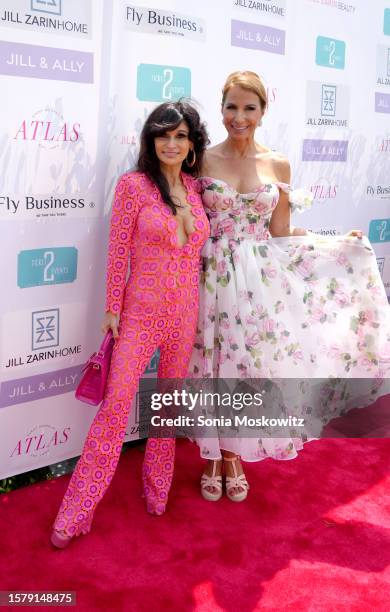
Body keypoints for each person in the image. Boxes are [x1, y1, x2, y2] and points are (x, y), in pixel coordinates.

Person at [188, 71, 390, 502]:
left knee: (250, 367)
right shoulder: (201, 159)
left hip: (259, 279)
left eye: (249, 108)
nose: (238, 117)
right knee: (213, 363)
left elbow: (280, 230)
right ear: (220, 108)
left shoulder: (277, 163)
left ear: (263, 112)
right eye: (231, 107)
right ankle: (213, 453)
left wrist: (334, 243)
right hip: (211, 274)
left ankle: (234, 454)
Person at [51, 101, 210, 547]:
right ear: (150, 140)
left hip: (185, 314)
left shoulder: (199, 191)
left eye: (181, 135)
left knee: (166, 407)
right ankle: (77, 511)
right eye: (164, 134)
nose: (172, 143)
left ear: (192, 144)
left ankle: (157, 489)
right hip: (139, 315)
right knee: (116, 408)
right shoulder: (134, 187)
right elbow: (118, 250)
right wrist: (111, 311)